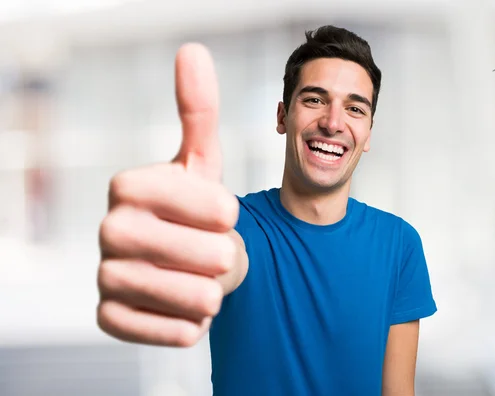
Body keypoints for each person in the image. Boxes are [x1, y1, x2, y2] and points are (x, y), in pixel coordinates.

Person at [96, 25, 437, 396]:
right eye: (314, 100)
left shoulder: (399, 244)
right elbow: (225, 259)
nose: (333, 123)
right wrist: (171, 255)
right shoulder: (232, 224)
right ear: (282, 116)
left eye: (355, 108)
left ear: (368, 132)